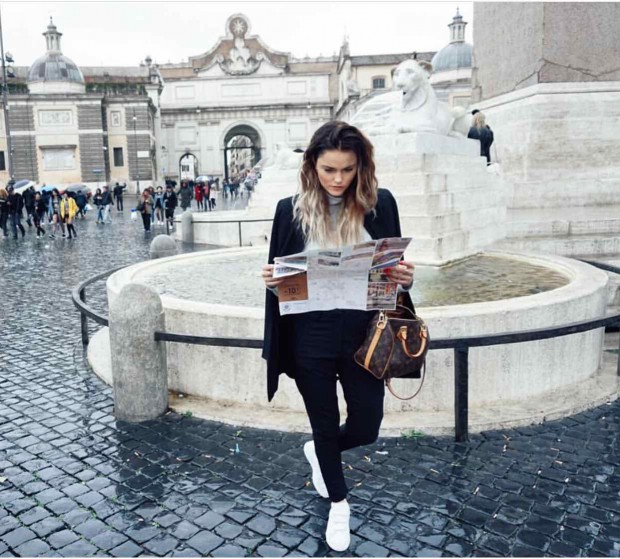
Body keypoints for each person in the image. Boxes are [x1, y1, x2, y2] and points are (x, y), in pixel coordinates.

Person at [261, 121, 415, 552]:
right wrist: (272, 283)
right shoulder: (288, 210)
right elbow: (281, 284)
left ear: (360, 166)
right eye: (329, 169)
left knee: (367, 425)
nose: (338, 179)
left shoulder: (381, 204)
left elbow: (393, 273)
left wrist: (405, 278)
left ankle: (320, 451)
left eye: (348, 169)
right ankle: (338, 503)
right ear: (311, 165)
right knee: (324, 422)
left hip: (364, 331)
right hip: (309, 333)